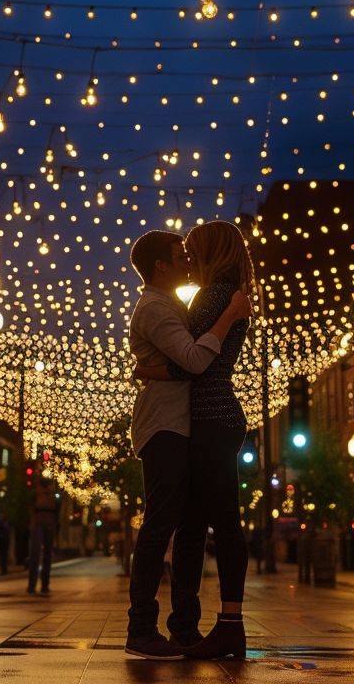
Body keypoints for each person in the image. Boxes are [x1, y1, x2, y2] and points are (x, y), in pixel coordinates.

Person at [120, 229, 252, 660]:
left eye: (191, 252)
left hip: (192, 423)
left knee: (191, 525)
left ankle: (184, 627)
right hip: (166, 427)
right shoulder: (158, 309)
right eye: (180, 255)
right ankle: (142, 628)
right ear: (161, 265)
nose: (187, 260)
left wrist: (153, 372)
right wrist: (230, 314)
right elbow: (195, 360)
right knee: (164, 523)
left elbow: (193, 363)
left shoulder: (182, 303)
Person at [27, 478, 61, 594]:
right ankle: (41, 585)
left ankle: (35, 586)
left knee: (37, 555)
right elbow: (57, 507)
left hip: (40, 522)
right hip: (45, 522)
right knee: (42, 555)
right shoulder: (52, 490)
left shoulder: (37, 490)